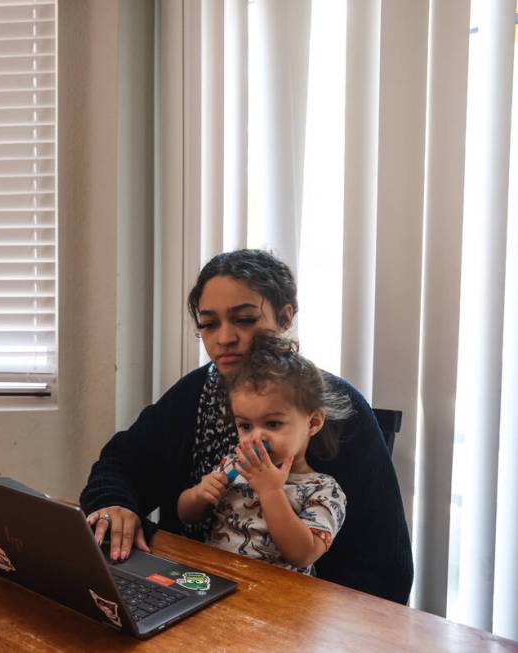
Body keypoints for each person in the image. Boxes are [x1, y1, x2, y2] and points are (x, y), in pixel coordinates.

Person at [79, 249, 414, 603]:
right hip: (192, 589)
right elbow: (120, 465)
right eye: (209, 324)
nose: (224, 338)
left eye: (244, 319)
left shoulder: (339, 410)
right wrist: (114, 503)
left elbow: (385, 570)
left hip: (297, 612)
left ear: (285, 318)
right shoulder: (193, 393)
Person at [180, 333, 348, 574]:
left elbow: (303, 554)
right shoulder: (235, 464)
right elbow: (186, 516)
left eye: (272, 424)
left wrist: (271, 491)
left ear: (313, 423)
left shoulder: (323, 490)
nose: (255, 437)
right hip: (215, 581)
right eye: (245, 426)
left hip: (277, 599)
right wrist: (198, 494)